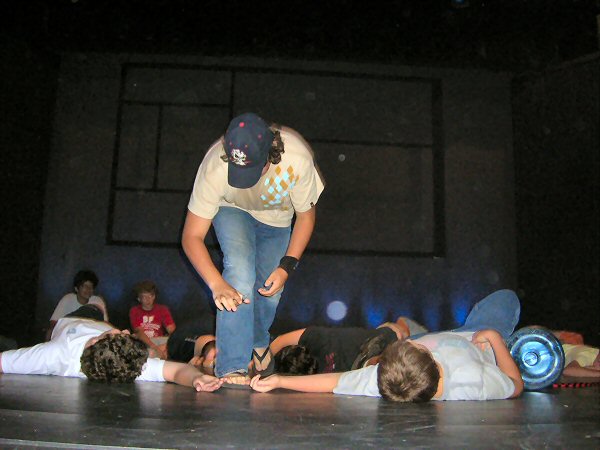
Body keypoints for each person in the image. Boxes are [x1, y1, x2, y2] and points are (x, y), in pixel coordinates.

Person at [181, 112, 325, 384]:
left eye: (252, 170)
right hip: (231, 209)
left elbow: (306, 217)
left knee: (271, 290)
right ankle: (232, 365)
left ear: (270, 154)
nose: (244, 179)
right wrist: (216, 284)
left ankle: (260, 340)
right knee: (239, 274)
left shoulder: (297, 159)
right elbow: (191, 236)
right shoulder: (214, 166)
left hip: (277, 220)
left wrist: (286, 266)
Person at [250, 289, 525, 402]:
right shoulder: (472, 381)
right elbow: (515, 385)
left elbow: (333, 382)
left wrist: (280, 381)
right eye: (411, 346)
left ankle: (413, 327)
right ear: (431, 357)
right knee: (506, 298)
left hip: (440, 336)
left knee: (403, 327)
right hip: (474, 339)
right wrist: (494, 338)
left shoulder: (388, 378)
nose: (409, 343)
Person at [0, 317, 223, 392]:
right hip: (95, 320)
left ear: (95, 341)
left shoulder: (55, 354)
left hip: (74, 319)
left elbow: (3, 362)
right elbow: (176, 371)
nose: (125, 330)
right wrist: (196, 378)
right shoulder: (128, 362)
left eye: (118, 334)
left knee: (51, 333)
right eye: (124, 334)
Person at [271, 318, 420, 375]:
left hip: (387, 337)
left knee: (402, 329)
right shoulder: (316, 338)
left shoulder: (317, 339)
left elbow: (280, 341)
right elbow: (281, 341)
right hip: (385, 340)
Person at [46, 270, 108, 340]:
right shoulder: (68, 299)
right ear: (76, 288)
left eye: (91, 287)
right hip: (69, 333)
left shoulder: (97, 301)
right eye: (85, 286)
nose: (89, 289)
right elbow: (53, 322)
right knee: (50, 332)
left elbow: (105, 324)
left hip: (89, 334)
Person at [129, 280, 176, 360]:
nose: (148, 299)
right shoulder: (134, 311)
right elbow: (139, 332)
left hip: (159, 341)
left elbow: (172, 330)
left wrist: (167, 345)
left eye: (150, 296)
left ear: (154, 296)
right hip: (143, 342)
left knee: (172, 342)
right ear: (139, 299)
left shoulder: (163, 309)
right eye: (144, 297)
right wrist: (154, 348)